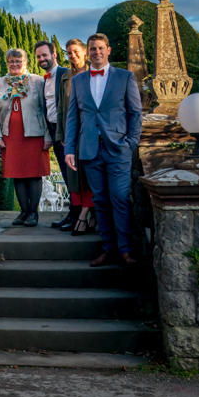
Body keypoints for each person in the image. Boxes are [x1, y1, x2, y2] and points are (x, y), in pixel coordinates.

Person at [64, 33, 144, 267]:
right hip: (89, 150)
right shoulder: (78, 81)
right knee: (100, 200)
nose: (96, 52)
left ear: (108, 50)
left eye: (100, 48)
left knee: (119, 198)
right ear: (88, 52)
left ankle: (125, 250)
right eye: (92, 49)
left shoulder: (125, 77)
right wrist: (70, 148)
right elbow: (73, 117)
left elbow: (136, 113)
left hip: (118, 148)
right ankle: (108, 248)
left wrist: (131, 142)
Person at [0, 48, 52, 226]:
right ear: (7, 63)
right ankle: (24, 212)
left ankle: (33, 213)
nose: (15, 64)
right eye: (11, 61)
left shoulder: (37, 81)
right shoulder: (1, 83)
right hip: (11, 136)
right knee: (17, 174)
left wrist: (49, 136)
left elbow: (46, 110)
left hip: (34, 135)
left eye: (19, 61)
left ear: (26, 63)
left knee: (34, 174)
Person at [58, 38, 95, 234]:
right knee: (74, 178)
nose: (73, 55)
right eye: (69, 52)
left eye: (75, 51)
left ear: (84, 52)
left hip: (90, 133)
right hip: (71, 133)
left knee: (89, 175)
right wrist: (62, 134)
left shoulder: (94, 73)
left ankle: (86, 216)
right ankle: (81, 214)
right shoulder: (66, 77)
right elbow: (61, 108)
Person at [35, 40, 72, 230]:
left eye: (44, 55)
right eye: (39, 56)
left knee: (72, 175)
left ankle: (78, 216)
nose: (42, 59)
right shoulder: (43, 80)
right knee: (66, 176)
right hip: (54, 133)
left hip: (67, 133)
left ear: (54, 54)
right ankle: (73, 214)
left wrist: (67, 134)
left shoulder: (66, 74)